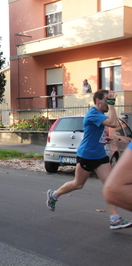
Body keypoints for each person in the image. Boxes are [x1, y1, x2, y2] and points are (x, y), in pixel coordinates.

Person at [46, 89, 132, 230]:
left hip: (100, 155)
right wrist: (112, 105)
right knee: (78, 184)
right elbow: (114, 123)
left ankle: (114, 219)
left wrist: (105, 139)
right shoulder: (93, 113)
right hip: (87, 154)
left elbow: (99, 130)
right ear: (98, 101)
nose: (109, 103)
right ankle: (54, 195)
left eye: (110, 101)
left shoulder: (99, 115)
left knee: (110, 186)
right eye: (107, 100)